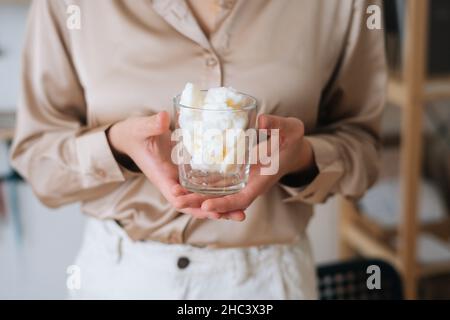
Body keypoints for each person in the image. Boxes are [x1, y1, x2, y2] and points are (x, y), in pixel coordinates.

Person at [10, 0, 386, 299]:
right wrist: (117, 148)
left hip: (268, 282)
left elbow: (364, 154)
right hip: (122, 277)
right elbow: (37, 160)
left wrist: (302, 159)